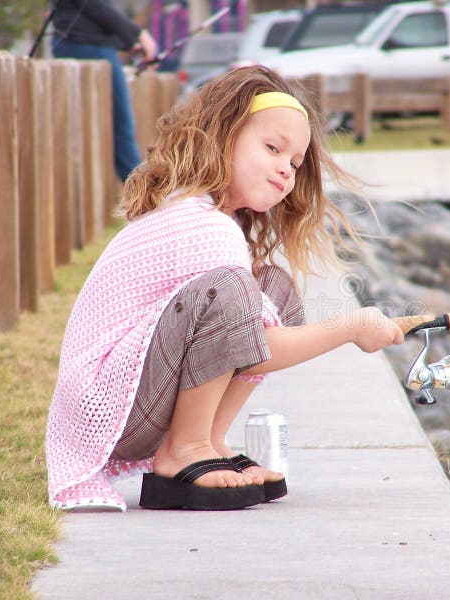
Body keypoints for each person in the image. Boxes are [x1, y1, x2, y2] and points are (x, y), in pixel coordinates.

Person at [45, 65, 405, 512]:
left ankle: (207, 441)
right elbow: (259, 347)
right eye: (272, 148)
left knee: (274, 289)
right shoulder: (202, 223)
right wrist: (351, 326)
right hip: (108, 413)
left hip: (132, 402)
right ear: (223, 137)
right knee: (229, 291)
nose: (285, 171)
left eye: (294, 163)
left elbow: (247, 336)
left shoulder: (208, 214)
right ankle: (185, 449)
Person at [50, 0, 158, 182]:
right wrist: (138, 34)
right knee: (122, 128)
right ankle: (145, 192)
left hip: (72, 42)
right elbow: (96, 7)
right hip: (89, 48)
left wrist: (128, 43)